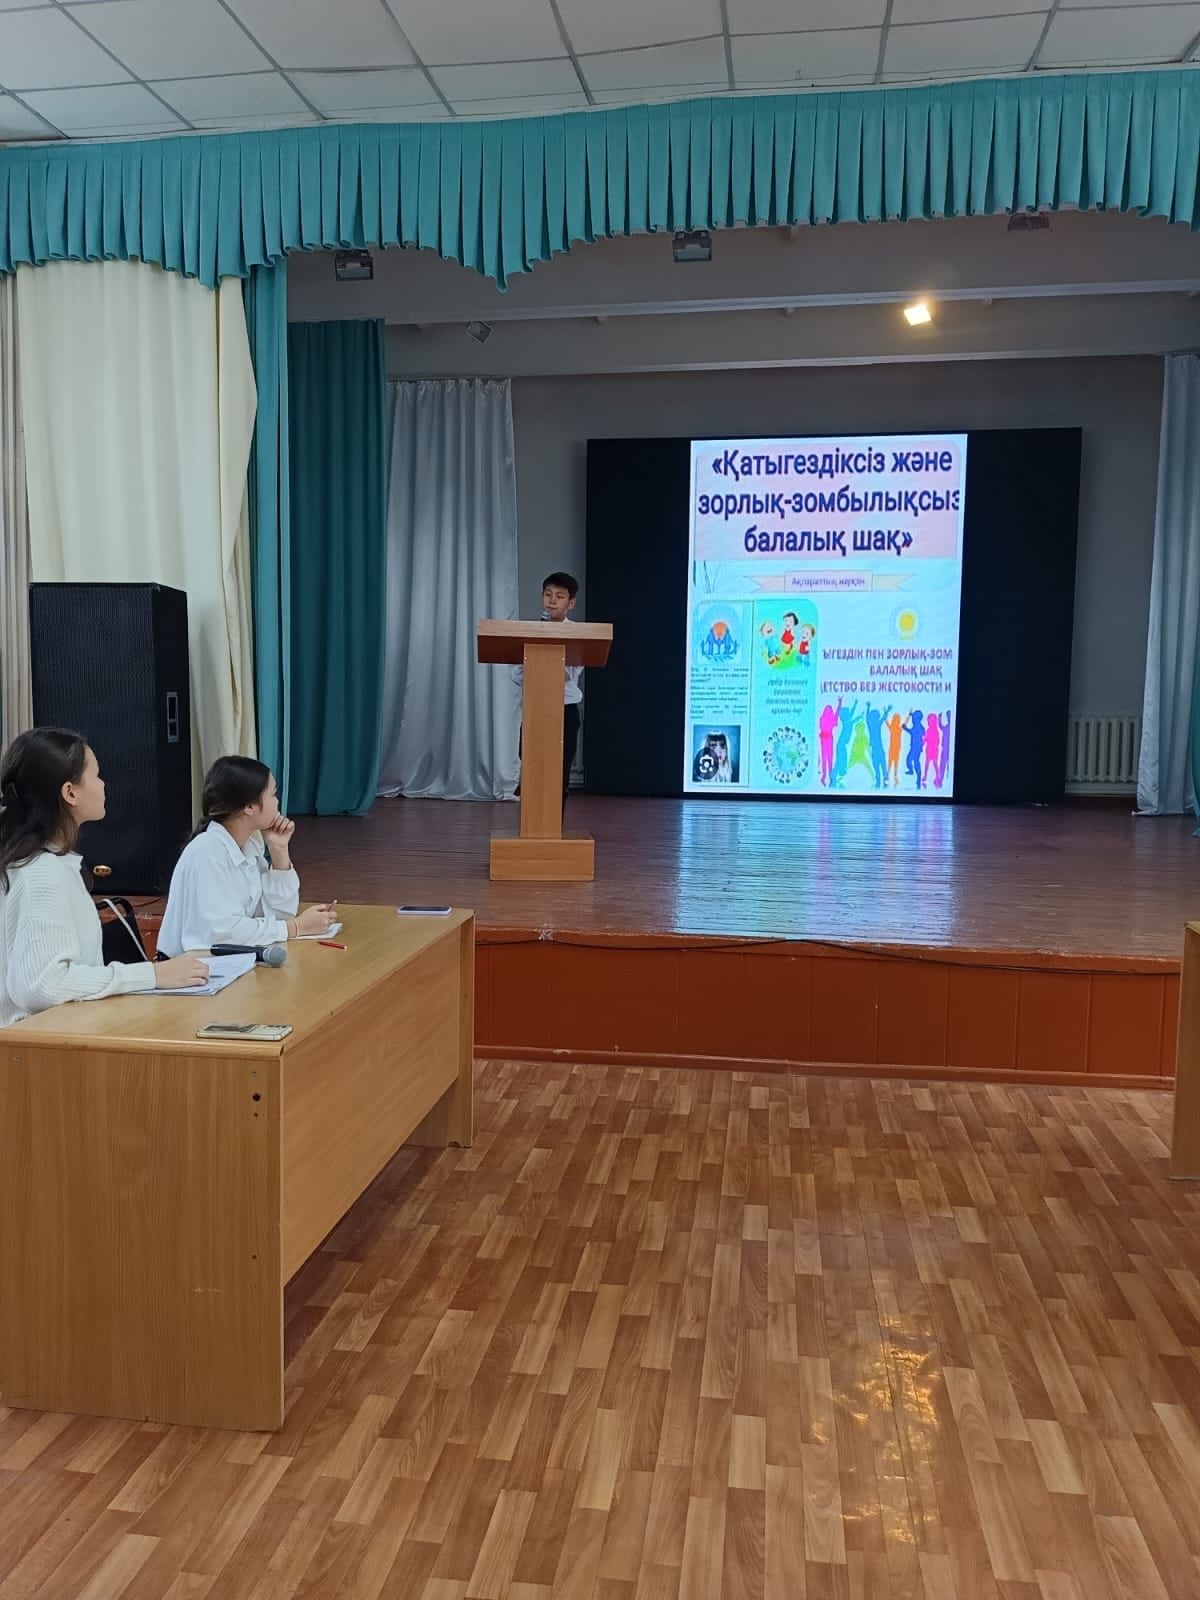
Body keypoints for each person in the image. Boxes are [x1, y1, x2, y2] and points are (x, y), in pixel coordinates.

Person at [0, 728, 208, 1027]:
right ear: (70, 792)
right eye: (97, 775)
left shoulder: (44, 863)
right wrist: (151, 975)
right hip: (37, 1048)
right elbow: (42, 986)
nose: (104, 784)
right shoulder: (41, 873)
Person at [158, 756, 336, 956]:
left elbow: (278, 915)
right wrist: (294, 928)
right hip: (188, 968)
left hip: (224, 964)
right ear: (250, 807)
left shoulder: (248, 847)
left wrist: (278, 850)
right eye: (273, 794)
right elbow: (218, 935)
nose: (277, 801)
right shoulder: (207, 852)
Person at [514, 571, 583, 803]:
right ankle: (530, 821)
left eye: (559, 596)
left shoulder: (579, 633)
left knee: (559, 772)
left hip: (565, 709)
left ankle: (554, 822)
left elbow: (568, 674)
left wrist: (543, 661)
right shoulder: (531, 630)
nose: (552, 601)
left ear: (571, 603)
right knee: (531, 766)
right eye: (548, 594)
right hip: (536, 708)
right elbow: (517, 674)